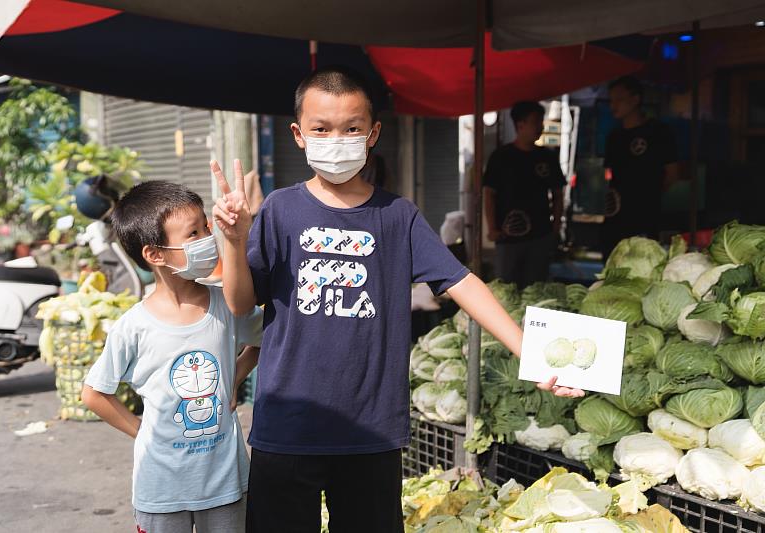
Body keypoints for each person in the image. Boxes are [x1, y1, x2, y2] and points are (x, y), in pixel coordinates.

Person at [211, 66, 583, 533]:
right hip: (287, 427)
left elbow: (462, 282)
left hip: (371, 429)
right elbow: (242, 303)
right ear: (298, 135)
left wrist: (527, 349)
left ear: (373, 134)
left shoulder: (398, 215)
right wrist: (232, 239)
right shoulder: (279, 211)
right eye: (321, 128)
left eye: (352, 128)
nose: (336, 139)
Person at [81, 177, 261, 533]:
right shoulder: (133, 327)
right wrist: (142, 431)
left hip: (225, 484)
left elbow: (261, 340)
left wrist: (233, 376)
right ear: (154, 254)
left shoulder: (225, 305)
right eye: (193, 234)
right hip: (160, 491)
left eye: (205, 227)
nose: (208, 239)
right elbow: (94, 393)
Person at [483, 101, 565, 288]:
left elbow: (558, 194)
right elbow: (489, 194)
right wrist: (492, 228)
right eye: (535, 121)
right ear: (520, 125)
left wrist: (556, 225)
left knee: (536, 290)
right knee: (507, 289)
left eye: (541, 121)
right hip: (508, 236)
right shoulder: (501, 157)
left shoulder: (548, 157)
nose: (541, 126)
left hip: (541, 235)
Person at [602, 76, 679, 258]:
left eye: (619, 100)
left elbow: (672, 173)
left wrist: (649, 194)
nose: (614, 105)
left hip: (645, 215)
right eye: (611, 100)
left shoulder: (658, 132)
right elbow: (609, 174)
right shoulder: (615, 137)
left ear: (635, 99)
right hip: (615, 215)